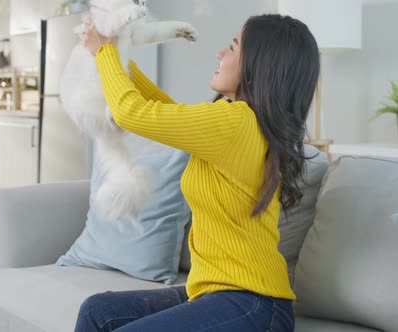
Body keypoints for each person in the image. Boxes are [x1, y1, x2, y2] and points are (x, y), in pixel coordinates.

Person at [74, 13, 320, 332]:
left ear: (261, 64)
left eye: (233, 46)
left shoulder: (237, 123)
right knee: (98, 311)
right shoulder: (242, 123)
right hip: (216, 291)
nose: (220, 53)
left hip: (254, 304)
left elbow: (130, 113)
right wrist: (117, 60)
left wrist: (104, 54)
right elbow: (162, 111)